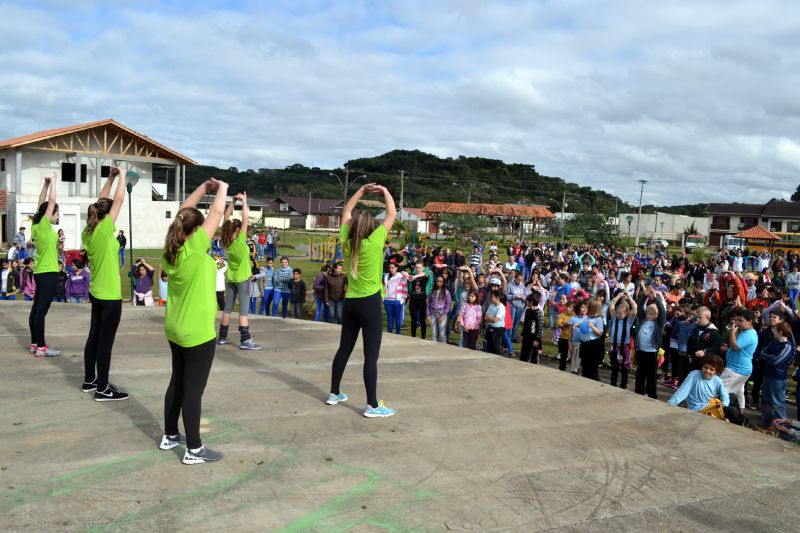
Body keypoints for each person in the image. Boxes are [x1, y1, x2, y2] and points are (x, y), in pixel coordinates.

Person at [160, 177, 228, 464]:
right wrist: (221, 188)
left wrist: (202, 188)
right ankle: (194, 449)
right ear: (196, 231)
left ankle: (170, 435)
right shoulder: (195, 247)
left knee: (177, 381)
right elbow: (216, 213)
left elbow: (184, 212)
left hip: (175, 328)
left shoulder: (171, 250)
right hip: (197, 332)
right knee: (193, 390)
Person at [327, 183, 397, 417]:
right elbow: (391, 214)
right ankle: (373, 406)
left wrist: (362, 191)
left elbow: (346, 211)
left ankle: (334, 393)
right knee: (371, 356)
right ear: (371, 227)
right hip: (369, 303)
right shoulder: (375, 241)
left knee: (344, 349)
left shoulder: (346, 242)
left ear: (353, 226)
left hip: (351, 303)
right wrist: (384, 191)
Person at [81, 166, 129, 400]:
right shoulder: (102, 231)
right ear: (107, 216)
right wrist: (122, 175)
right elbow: (117, 200)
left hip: (96, 292)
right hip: (109, 295)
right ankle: (103, 388)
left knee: (94, 336)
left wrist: (109, 178)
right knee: (105, 343)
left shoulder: (88, 231)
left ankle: (90, 380)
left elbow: (103, 202)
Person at [217, 193, 261, 350]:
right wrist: (244, 201)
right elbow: (245, 218)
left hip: (230, 279)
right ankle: (245, 340)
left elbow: (226, 217)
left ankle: (222, 337)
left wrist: (233, 201)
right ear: (237, 230)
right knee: (243, 311)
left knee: (228, 308)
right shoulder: (241, 240)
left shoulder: (226, 242)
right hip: (243, 279)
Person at [28, 173, 62, 358]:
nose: (57, 216)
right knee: (41, 311)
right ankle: (41, 346)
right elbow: (50, 201)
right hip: (48, 273)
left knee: (36, 309)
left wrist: (46, 184)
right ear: (49, 214)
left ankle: (35, 343)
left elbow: (41, 202)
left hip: (40, 272)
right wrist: (54, 183)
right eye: (57, 213)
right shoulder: (42, 225)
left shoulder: (37, 225)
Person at [720, 308, 758, 410]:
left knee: (721, 391)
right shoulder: (746, 332)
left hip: (736, 369)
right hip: (740, 368)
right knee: (739, 393)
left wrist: (732, 332)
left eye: (740, 320)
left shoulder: (749, 334)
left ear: (749, 322)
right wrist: (728, 347)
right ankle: (740, 417)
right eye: (736, 320)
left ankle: (721, 413)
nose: (737, 323)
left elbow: (736, 346)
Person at [758, 321, 794, 428]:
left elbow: (777, 360)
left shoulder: (787, 346)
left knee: (777, 402)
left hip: (777, 378)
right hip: (768, 374)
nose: (773, 331)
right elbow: (762, 353)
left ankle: (781, 427)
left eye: (775, 330)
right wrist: (771, 357)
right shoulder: (774, 342)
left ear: (780, 332)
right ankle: (767, 423)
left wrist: (769, 358)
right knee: (767, 400)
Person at [634, 288, 667, 399]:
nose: (648, 315)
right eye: (648, 313)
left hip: (652, 352)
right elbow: (639, 307)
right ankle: (638, 391)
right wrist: (645, 296)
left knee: (651, 375)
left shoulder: (658, 324)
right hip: (641, 351)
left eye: (652, 314)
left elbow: (662, 311)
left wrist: (655, 298)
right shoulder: (643, 319)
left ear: (656, 315)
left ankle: (652, 394)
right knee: (640, 373)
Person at [607, 291, 637, 388]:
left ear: (626, 313)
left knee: (624, 367)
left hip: (624, 346)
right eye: (617, 313)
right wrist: (619, 296)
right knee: (614, 367)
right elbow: (611, 304)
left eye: (620, 314)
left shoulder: (628, 320)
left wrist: (629, 297)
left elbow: (635, 308)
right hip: (614, 345)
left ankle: (623, 385)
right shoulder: (615, 317)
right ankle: (613, 383)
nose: (618, 315)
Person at [383, 262, 407, 334]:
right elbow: (383, 287)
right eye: (390, 268)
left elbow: (405, 289)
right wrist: (383, 298)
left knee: (397, 320)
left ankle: (398, 334)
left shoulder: (401, 277)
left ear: (396, 268)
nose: (391, 269)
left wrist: (402, 300)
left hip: (397, 301)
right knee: (389, 319)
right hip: (387, 301)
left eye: (392, 268)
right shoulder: (386, 276)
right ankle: (389, 334)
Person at [519, 292, 543, 364]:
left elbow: (540, 327)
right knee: (523, 354)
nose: (526, 302)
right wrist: (522, 334)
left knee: (533, 355)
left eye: (527, 301)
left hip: (533, 337)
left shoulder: (539, 313)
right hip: (526, 336)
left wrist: (537, 339)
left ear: (531, 302)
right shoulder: (527, 310)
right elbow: (525, 323)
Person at [428, 276, 451, 343]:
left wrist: (444, 315)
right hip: (433, 314)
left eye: (441, 281)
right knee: (434, 332)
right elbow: (429, 303)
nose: (439, 282)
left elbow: (448, 305)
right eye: (438, 281)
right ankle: (434, 348)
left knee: (442, 333)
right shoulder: (432, 291)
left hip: (441, 313)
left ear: (443, 282)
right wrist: (428, 315)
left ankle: (444, 348)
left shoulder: (446, 292)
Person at [484, 290, 506, 355]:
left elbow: (495, 320)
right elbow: (485, 317)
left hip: (498, 329)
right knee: (489, 345)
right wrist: (492, 318)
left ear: (497, 298)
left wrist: (490, 318)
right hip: (490, 327)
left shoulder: (501, 308)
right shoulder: (491, 305)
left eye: (492, 297)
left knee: (496, 346)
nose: (491, 298)